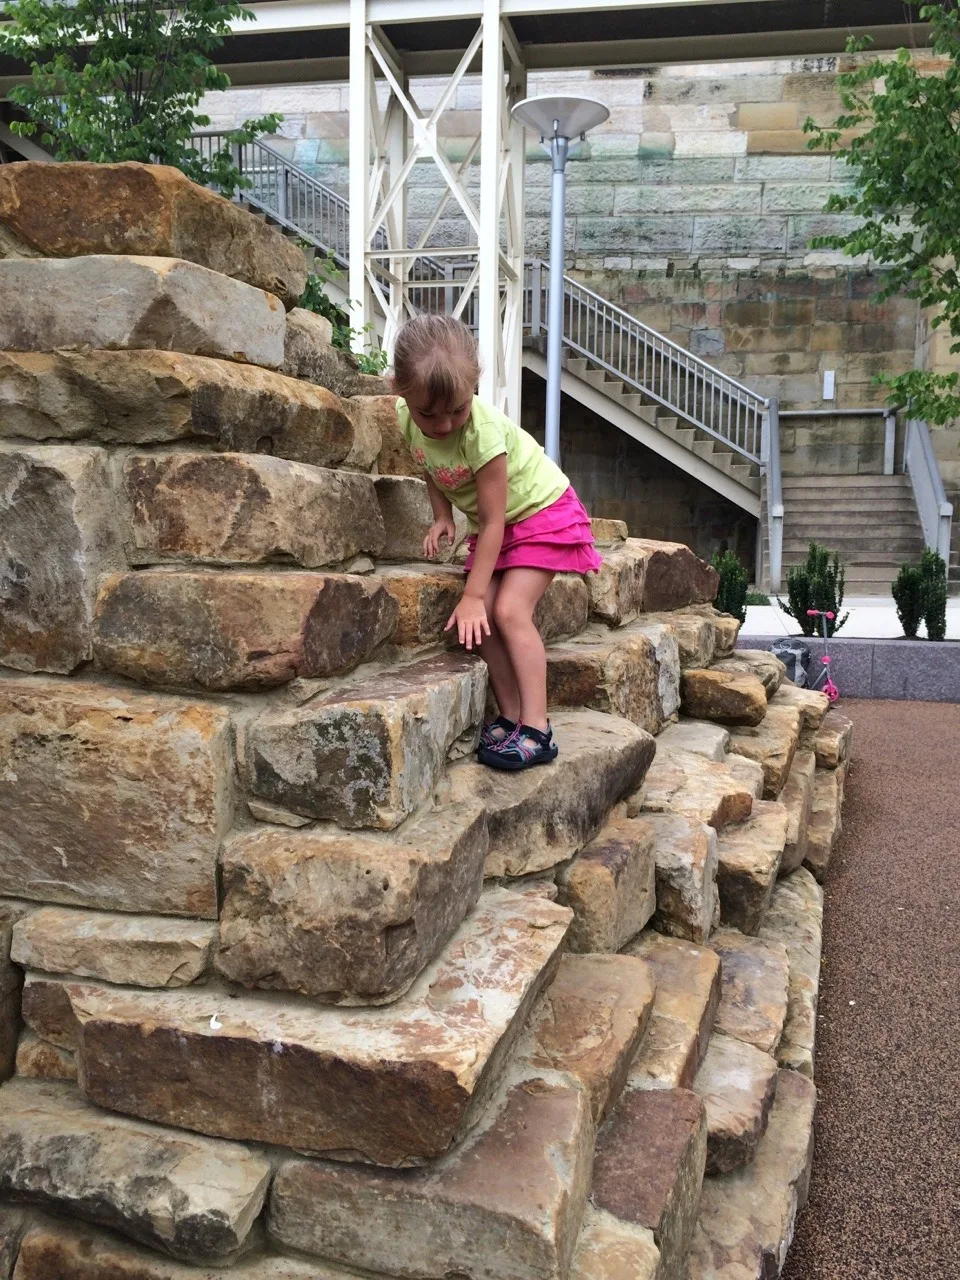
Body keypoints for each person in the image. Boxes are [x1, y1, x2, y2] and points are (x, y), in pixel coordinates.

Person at [391, 313, 602, 771]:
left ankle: (538, 729)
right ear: (399, 390)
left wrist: (470, 593)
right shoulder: (408, 420)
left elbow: (491, 523)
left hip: (541, 513)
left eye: (458, 410)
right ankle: (510, 716)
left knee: (507, 610)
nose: (444, 425)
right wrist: (442, 515)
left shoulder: (483, 434)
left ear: (476, 387)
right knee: (481, 619)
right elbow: (431, 464)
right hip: (502, 522)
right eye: (429, 413)